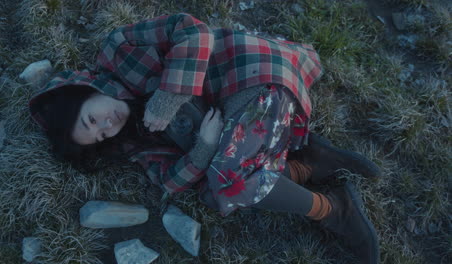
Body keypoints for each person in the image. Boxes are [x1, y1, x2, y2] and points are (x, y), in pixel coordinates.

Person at [28, 13, 380, 263]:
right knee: (215, 192)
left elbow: (193, 31)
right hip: (238, 128)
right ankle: (307, 165)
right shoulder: (130, 142)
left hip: (245, 75)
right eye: (100, 134)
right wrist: (204, 147)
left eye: (93, 118)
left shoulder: (119, 50)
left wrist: (167, 99)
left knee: (228, 179)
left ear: (84, 91)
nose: (107, 124)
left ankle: (332, 210)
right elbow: (171, 180)